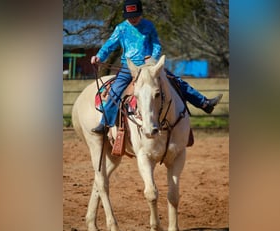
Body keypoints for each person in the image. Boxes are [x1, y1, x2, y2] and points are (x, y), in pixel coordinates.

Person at [91, 0, 222, 134]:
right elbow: (109, 45)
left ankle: (204, 103)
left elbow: (156, 44)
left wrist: (152, 57)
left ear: (141, 14)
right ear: (125, 16)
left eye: (136, 15)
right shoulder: (121, 28)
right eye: (130, 17)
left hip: (149, 66)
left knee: (176, 81)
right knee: (115, 90)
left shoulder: (149, 26)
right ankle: (105, 123)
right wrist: (99, 56)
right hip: (129, 68)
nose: (133, 19)